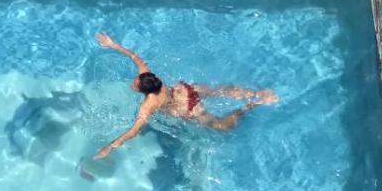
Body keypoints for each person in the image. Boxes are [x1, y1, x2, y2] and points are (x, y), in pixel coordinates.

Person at [93, 32, 278, 160]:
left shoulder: (148, 104)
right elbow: (134, 57)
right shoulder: (148, 75)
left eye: (135, 85)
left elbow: (134, 131)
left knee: (223, 126)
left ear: (145, 91)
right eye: (136, 80)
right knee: (217, 91)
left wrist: (110, 147)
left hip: (187, 108)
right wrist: (111, 44)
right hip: (185, 90)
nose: (133, 83)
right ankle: (256, 93)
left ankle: (252, 104)